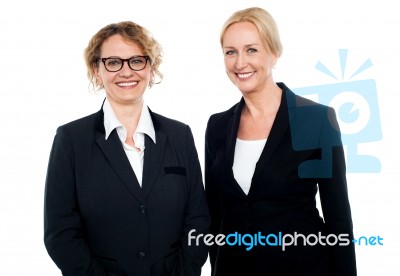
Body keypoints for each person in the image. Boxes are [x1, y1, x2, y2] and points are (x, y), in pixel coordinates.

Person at [44, 21, 209, 276]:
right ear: (96, 70)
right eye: (113, 62)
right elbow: (61, 234)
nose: (126, 71)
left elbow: (197, 220)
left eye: (136, 61)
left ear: (150, 68)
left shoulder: (180, 135)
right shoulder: (70, 140)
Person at [205, 7, 357, 276]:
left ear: (275, 53)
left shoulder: (318, 120)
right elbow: (215, 214)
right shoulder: (217, 126)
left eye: (252, 49)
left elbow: (339, 220)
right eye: (231, 52)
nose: (240, 63)